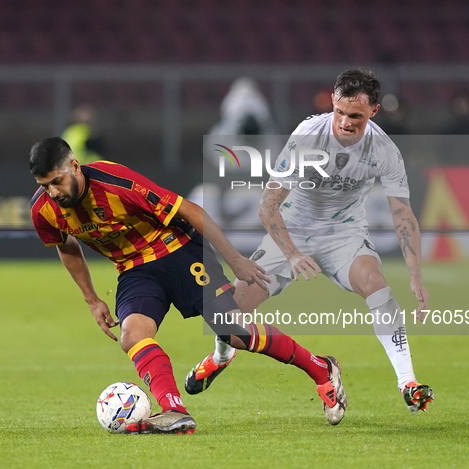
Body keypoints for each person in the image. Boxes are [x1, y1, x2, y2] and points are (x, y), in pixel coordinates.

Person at [28, 137, 348, 434]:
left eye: (57, 181)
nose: (53, 192)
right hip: (135, 269)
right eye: (45, 186)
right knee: (132, 335)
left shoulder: (117, 183)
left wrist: (235, 260)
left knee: (234, 331)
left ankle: (323, 369)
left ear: (74, 166)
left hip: (178, 248)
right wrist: (92, 299)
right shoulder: (43, 210)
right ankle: (174, 410)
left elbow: (191, 210)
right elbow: (66, 245)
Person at [185, 69, 434, 415]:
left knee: (378, 287)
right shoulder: (307, 136)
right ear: (333, 101)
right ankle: (219, 357)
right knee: (227, 316)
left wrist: (415, 273)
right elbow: (268, 205)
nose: (346, 123)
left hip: (345, 233)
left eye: (356, 117)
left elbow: (403, 215)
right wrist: (292, 254)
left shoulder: (385, 150)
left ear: (374, 112)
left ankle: (407, 382)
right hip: (292, 229)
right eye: (341, 112)